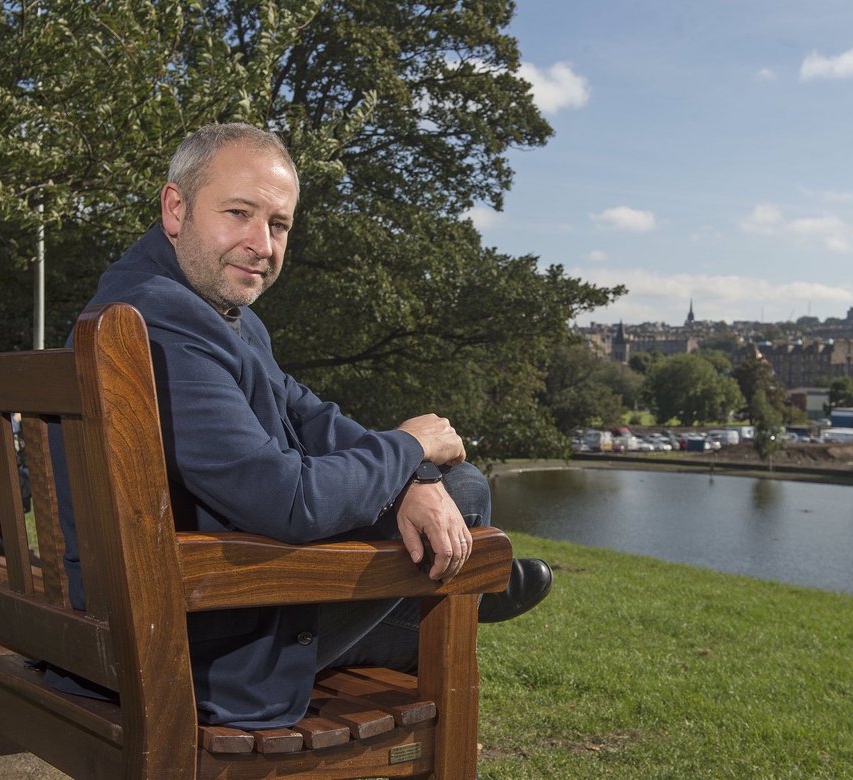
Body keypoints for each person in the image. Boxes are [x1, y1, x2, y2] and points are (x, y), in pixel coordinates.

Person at [47, 123, 551, 729]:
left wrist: (414, 468)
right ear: (175, 207)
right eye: (239, 213)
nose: (262, 244)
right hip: (195, 643)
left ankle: (465, 589)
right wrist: (412, 445)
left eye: (278, 224)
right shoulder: (164, 322)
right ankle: (469, 589)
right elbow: (287, 502)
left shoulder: (208, 310)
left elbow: (309, 416)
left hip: (174, 607)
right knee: (464, 490)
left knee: (436, 488)